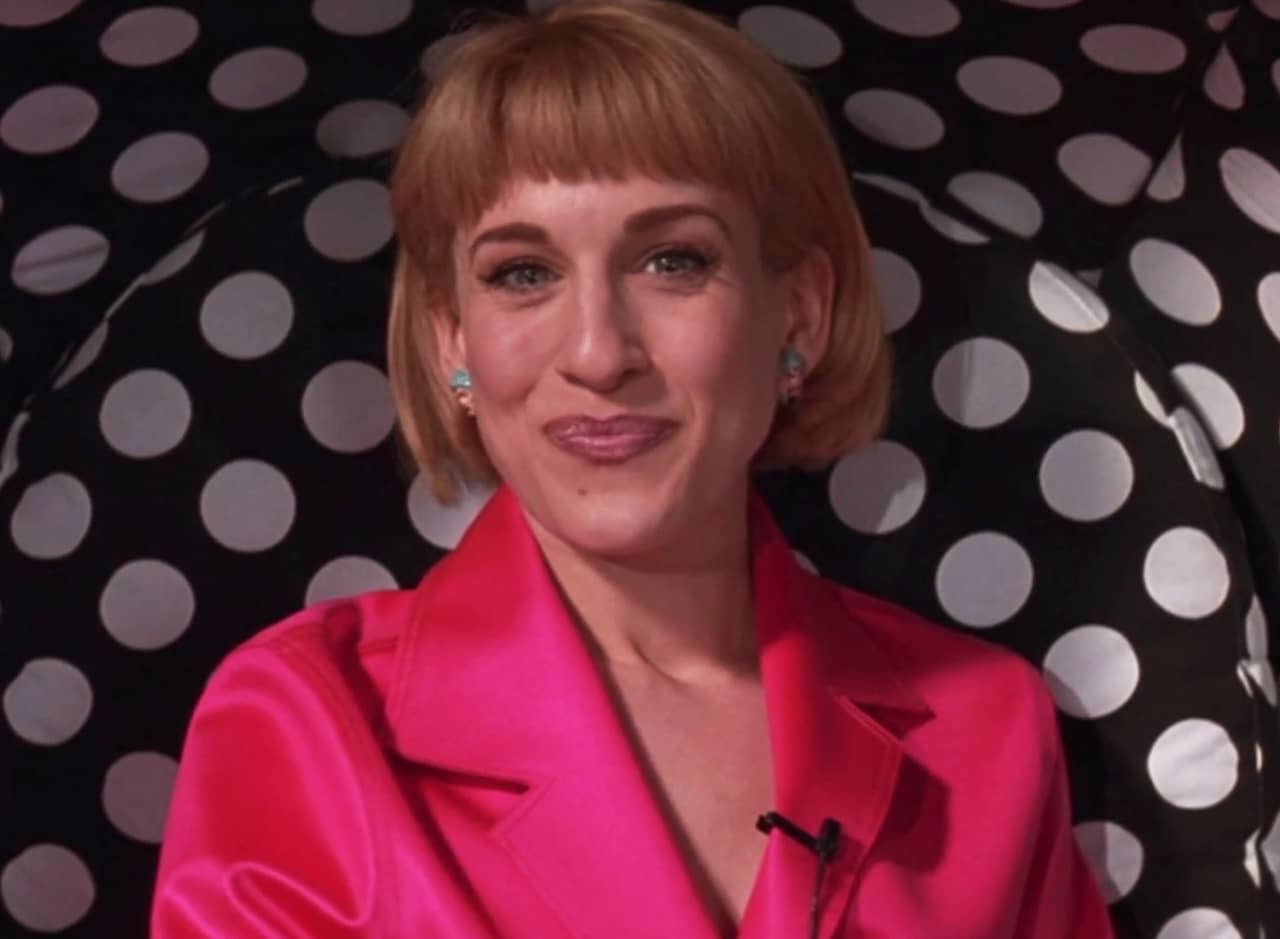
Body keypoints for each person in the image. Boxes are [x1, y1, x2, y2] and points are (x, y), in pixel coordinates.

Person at [150, 1, 1116, 936]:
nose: (599, 352)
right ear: (456, 341)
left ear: (801, 315)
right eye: (523, 273)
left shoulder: (987, 726)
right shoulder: (305, 723)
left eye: (673, 261)